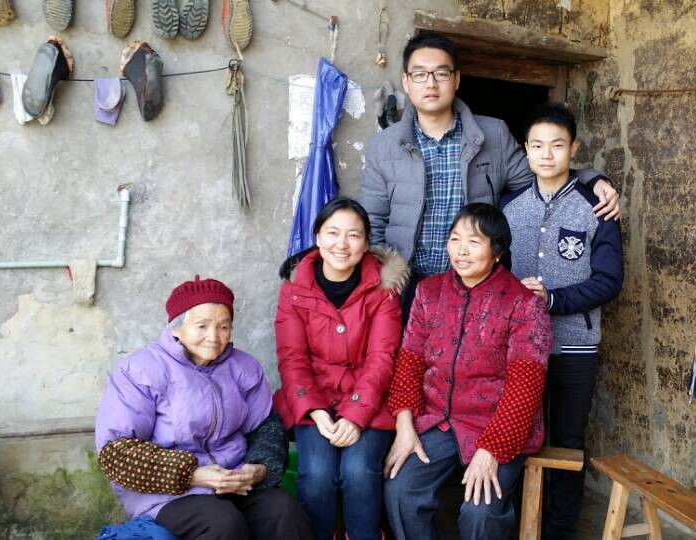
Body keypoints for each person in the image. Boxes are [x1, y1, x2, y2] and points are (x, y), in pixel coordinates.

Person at [358, 32, 621, 317]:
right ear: (406, 82)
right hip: (407, 287)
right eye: (420, 74)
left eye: (441, 73)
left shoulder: (493, 134)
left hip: (477, 287)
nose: (431, 83)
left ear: (456, 79)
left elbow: (542, 178)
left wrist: (591, 179)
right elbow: (372, 221)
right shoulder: (384, 146)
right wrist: (384, 283)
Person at [94, 276, 312, 539]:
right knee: (222, 523)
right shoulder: (141, 370)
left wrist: (259, 468)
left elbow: (265, 426)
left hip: (234, 481)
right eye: (202, 326)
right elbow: (115, 452)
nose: (214, 337)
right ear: (177, 329)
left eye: (223, 326)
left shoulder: (244, 367)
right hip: (169, 493)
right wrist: (193, 475)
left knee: (284, 511)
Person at [383, 203, 553, 539]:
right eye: (455, 239)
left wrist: (491, 450)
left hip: (497, 426)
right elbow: (410, 362)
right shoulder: (428, 292)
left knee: (481, 511)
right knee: (401, 487)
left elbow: (525, 388)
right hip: (439, 420)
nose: (461, 250)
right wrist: (404, 426)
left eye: (474, 242)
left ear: (497, 252)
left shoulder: (524, 304)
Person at [501, 103, 624, 539]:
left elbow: (609, 281)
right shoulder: (509, 207)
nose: (547, 154)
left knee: (568, 442)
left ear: (573, 148)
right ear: (526, 150)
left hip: (574, 347)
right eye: (537, 146)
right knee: (517, 435)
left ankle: (558, 531)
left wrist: (552, 299)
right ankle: (518, 524)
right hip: (519, 350)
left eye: (557, 145)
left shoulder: (597, 207)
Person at [274, 197, 408, 540]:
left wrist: (355, 415)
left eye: (353, 235)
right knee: (317, 475)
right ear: (318, 236)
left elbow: (382, 358)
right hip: (313, 399)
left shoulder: (384, 288)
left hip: (370, 400)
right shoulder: (295, 287)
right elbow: (292, 358)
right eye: (333, 233)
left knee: (359, 471)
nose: (342, 244)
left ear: (366, 241)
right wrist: (315, 410)